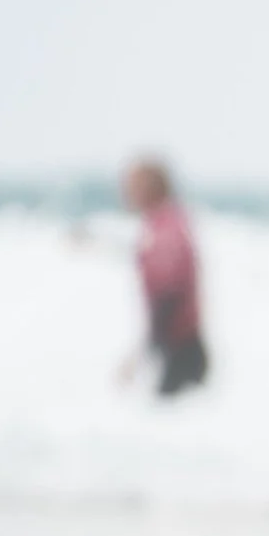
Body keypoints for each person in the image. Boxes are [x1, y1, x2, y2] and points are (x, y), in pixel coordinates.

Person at [116, 157, 208, 398]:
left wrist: (142, 353)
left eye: (131, 185)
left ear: (149, 188)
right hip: (180, 345)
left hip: (181, 350)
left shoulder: (165, 227)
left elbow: (170, 290)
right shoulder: (164, 222)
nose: (124, 192)